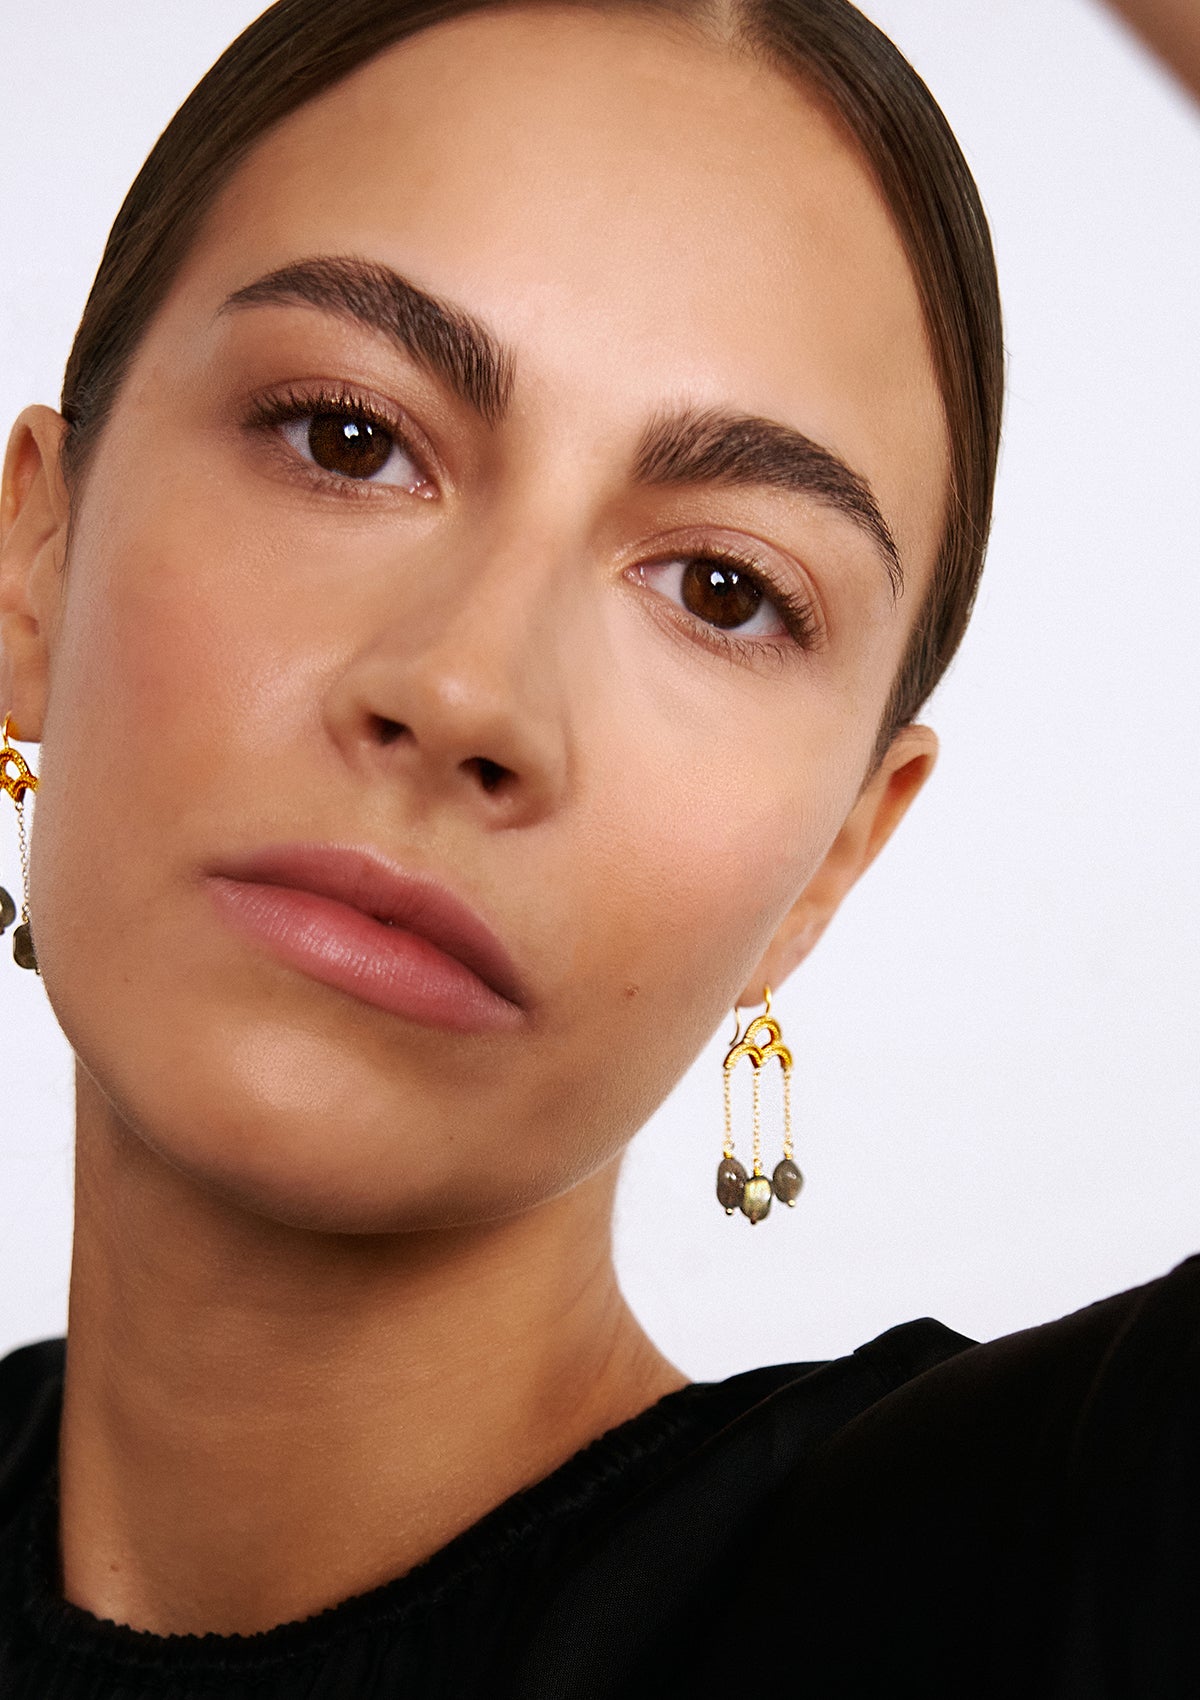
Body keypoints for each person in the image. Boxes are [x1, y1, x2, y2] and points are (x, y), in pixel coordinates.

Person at [0, 0, 1185, 1694]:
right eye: (350, 437)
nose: (470, 689)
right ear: (33, 559)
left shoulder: (1020, 1587)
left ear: (840, 855)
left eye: (723, 590)